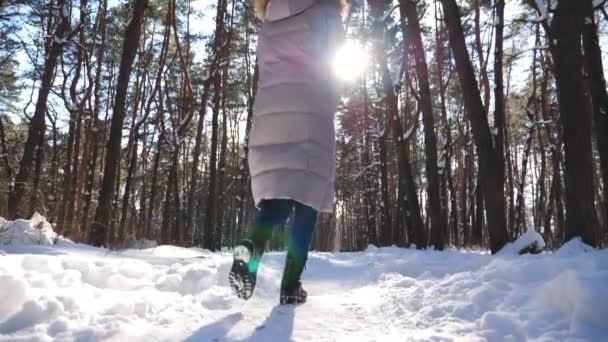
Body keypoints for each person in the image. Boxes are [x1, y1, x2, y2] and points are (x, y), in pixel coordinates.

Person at [228, 0, 347, 305]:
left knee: (277, 200)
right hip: (310, 111)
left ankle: (251, 248)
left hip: (270, 115)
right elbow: (334, 64)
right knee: (307, 202)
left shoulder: (270, 15)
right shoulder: (327, 11)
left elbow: (264, 67)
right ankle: (290, 286)